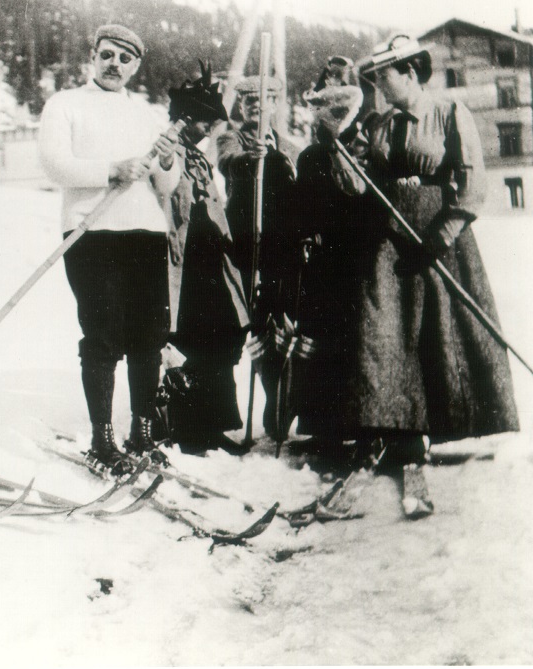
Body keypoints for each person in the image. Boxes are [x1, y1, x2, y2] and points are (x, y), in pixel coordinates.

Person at [338, 34, 519, 516]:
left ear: (411, 73)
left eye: (385, 77)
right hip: (387, 241)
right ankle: (386, 431)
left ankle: (426, 432)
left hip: (436, 239)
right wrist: (342, 151)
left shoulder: (448, 112)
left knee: (435, 335)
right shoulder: (376, 123)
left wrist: (444, 235)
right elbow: (359, 186)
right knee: (382, 334)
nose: (378, 86)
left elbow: (473, 179)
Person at [38, 24, 181, 475]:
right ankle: (102, 437)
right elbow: (55, 165)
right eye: (106, 55)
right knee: (102, 333)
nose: (113, 64)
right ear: (93, 56)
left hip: (145, 232)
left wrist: (166, 160)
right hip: (91, 231)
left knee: (147, 335)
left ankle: (141, 429)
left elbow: (167, 185)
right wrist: (110, 169)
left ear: (135, 66)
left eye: (124, 58)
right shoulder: (66, 105)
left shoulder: (148, 116)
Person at [162, 65, 251, 454]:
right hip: (183, 265)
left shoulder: (198, 160)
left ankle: (215, 424)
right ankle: (189, 429)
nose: (205, 131)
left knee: (223, 336)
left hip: (214, 263)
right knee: (191, 342)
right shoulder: (166, 153)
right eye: (201, 123)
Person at [288, 58, 371, 449]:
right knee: (322, 335)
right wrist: (307, 234)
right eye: (328, 78)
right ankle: (323, 422)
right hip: (324, 258)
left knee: (356, 334)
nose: (333, 83)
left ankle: (360, 419)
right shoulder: (309, 157)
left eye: (341, 79)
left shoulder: (361, 144)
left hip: (359, 254)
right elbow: (304, 209)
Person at [217, 74, 300, 440]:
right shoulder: (231, 138)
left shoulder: (291, 146)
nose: (256, 107)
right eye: (249, 101)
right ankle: (271, 395)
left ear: (277, 103)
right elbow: (228, 163)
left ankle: (284, 396)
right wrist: (253, 158)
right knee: (257, 322)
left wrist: (279, 157)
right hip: (246, 244)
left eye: (264, 100)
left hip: (283, 245)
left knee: (285, 320)